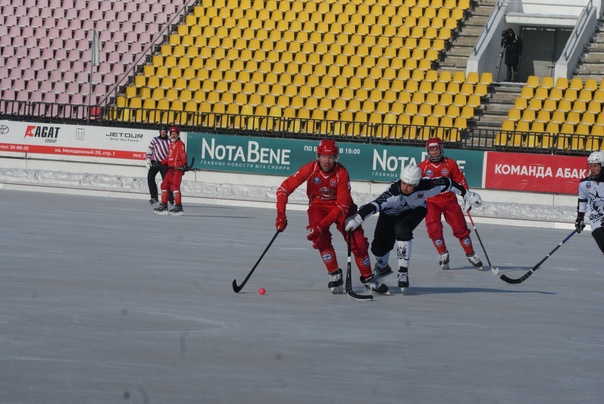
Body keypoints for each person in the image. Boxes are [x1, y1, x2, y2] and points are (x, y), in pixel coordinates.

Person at [275, 139, 388, 294]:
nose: (326, 161)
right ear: (318, 155)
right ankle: (334, 274)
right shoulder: (310, 169)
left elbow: (342, 206)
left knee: (358, 242)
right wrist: (281, 214)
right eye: (323, 156)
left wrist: (322, 225)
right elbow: (283, 189)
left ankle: (368, 278)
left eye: (330, 157)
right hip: (318, 206)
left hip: (343, 208)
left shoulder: (341, 173)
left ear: (336, 157)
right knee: (320, 239)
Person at [345, 165, 483, 291]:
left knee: (402, 230)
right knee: (379, 248)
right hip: (389, 213)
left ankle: (402, 272)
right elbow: (374, 205)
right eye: (403, 183)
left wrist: (467, 195)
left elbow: (448, 183)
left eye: (410, 185)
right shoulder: (392, 194)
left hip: (414, 211)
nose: (405, 187)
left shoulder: (427, 185)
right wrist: (357, 219)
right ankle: (382, 268)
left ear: (417, 184)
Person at [418, 138, 483, 270]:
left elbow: (461, 181)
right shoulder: (423, 166)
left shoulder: (450, 164)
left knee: (460, 228)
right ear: (427, 151)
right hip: (431, 203)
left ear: (441, 148)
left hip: (449, 201)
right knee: (434, 229)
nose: (434, 152)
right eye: (431, 149)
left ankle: (471, 254)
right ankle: (443, 254)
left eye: (436, 149)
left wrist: (466, 198)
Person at [154, 126, 187, 216]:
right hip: (170, 168)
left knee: (174, 186)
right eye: (172, 134)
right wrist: (160, 163)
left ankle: (179, 206)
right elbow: (169, 158)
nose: (173, 135)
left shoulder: (180, 144)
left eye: (175, 134)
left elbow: (183, 155)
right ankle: (164, 205)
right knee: (164, 185)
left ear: (178, 134)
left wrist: (185, 164)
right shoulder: (171, 144)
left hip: (177, 168)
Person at [575, 151, 604, 255]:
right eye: (590, 166)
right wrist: (580, 218)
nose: (592, 169)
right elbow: (582, 200)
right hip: (597, 222)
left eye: (595, 166)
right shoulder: (584, 183)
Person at [145, 125, 171, 205]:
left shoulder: (170, 141)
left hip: (164, 164)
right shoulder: (155, 139)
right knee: (150, 177)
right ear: (159, 132)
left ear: (167, 132)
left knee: (166, 182)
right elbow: (150, 150)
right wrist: (149, 160)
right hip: (155, 163)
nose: (163, 133)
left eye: (164, 132)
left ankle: (170, 198)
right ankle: (154, 197)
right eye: (161, 132)